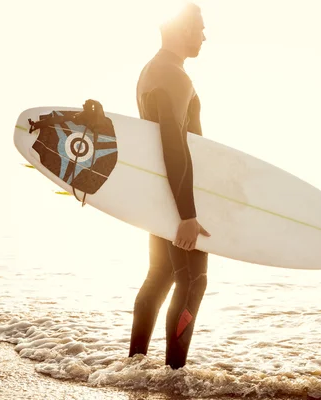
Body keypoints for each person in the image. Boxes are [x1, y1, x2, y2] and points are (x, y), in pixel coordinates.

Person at [128, 2, 211, 370]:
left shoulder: (151, 70)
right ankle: (173, 377)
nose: (205, 36)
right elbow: (174, 146)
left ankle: (135, 367)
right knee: (193, 282)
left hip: (158, 196)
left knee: (159, 276)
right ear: (180, 31)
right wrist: (189, 215)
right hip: (179, 197)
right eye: (200, 28)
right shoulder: (176, 77)